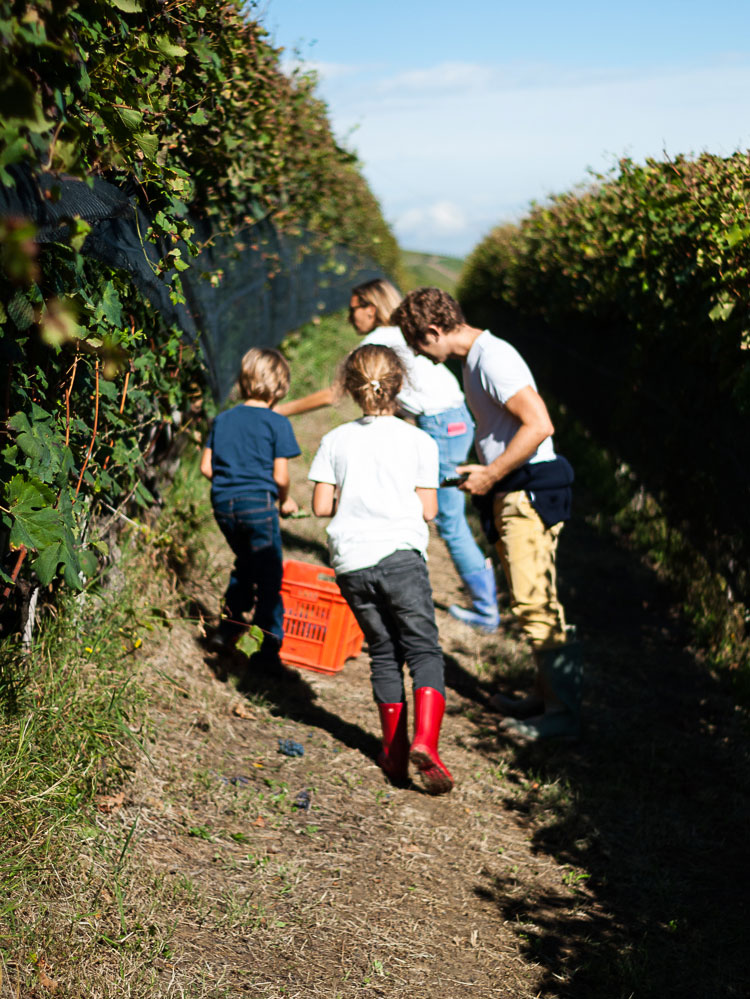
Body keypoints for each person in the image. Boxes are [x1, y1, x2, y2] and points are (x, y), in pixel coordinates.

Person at [391, 287, 581, 741]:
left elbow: (540, 425)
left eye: (419, 345)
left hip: (528, 492)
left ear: (434, 331)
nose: (422, 356)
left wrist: (491, 473)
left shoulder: (493, 359)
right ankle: (545, 697)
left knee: (536, 604)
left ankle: (563, 717)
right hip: (514, 487)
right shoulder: (478, 359)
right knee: (529, 600)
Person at [277, 278, 500, 632]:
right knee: (448, 514)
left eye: (354, 309)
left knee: (449, 519)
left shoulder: (378, 341)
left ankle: (487, 609)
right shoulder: (398, 335)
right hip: (454, 419)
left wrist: (280, 410)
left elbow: (335, 394)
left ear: (370, 307)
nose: (351, 317)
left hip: (441, 423)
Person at [308, 343, 454, 794]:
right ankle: (426, 741)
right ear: (400, 385)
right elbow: (428, 509)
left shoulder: (335, 440)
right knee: (423, 650)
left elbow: (320, 506)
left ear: (352, 389)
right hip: (400, 558)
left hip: (352, 563)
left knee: (384, 650)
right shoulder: (419, 441)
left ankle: (393, 753)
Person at [200, 348, 300, 674]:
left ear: (244, 381)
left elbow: (205, 467)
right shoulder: (277, 423)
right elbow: (281, 477)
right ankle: (266, 650)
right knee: (269, 577)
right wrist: (285, 500)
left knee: (245, 565)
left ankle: (226, 629)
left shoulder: (223, 419)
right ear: (280, 387)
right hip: (257, 505)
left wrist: (232, 480)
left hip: (223, 506)